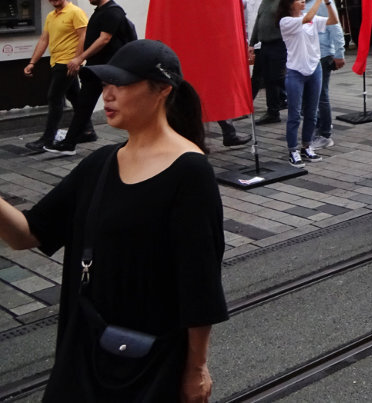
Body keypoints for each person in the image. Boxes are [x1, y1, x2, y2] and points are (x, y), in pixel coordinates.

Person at [0, 39, 227, 400]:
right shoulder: (101, 163)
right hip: (82, 351)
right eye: (105, 84)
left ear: (162, 90)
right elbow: (27, 234)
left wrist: (195, 367)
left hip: (149, 365)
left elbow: (199, 285)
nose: (107, 94)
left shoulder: (190, 173)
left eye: (120, 84)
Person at [47, 0, 132, 155]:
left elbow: (105, 39)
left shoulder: (113, 12)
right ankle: (69, 143)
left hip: (109, 68)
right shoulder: (100, 11)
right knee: (84, 105)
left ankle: (141, 137)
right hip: (96, 68)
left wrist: (80, 58)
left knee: (125, 103)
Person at [277, 0, 339, 168]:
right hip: (295, 71)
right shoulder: (286, 21)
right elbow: (307, 17)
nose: (303, 1)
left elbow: (333, 20)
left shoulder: (311, 20)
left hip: (315, 69)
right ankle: (292, 150)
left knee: (312, 112)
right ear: (290, 4)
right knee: (295, 113)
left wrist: (327, 1)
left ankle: (307, 146)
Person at [23, 0, 88, 152]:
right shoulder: (51, 16)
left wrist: (77, 59)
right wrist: (32, 62)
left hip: (67, 63)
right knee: (75, 97)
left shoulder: (75, 12)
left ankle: (47, 139)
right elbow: (44, 39)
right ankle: (88, 131)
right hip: (56, 61)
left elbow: (84, 37)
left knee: (54, 98)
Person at [293, 0, 346, 149]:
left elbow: (335, 26)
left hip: (323, 54)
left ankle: (325, 134)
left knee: (321, 96)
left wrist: (339, 53)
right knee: (312, 96)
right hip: (309, 55)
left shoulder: (322, 1)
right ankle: (317, 129)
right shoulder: (303, 3)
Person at [248, 0, 286, 124]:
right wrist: (252, 43)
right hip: (264, 45)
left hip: (279, 44)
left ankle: (294, 103)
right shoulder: (265, 1)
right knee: (268, 80)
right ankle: (272, 112)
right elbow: (258, 22)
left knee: (277, 79)